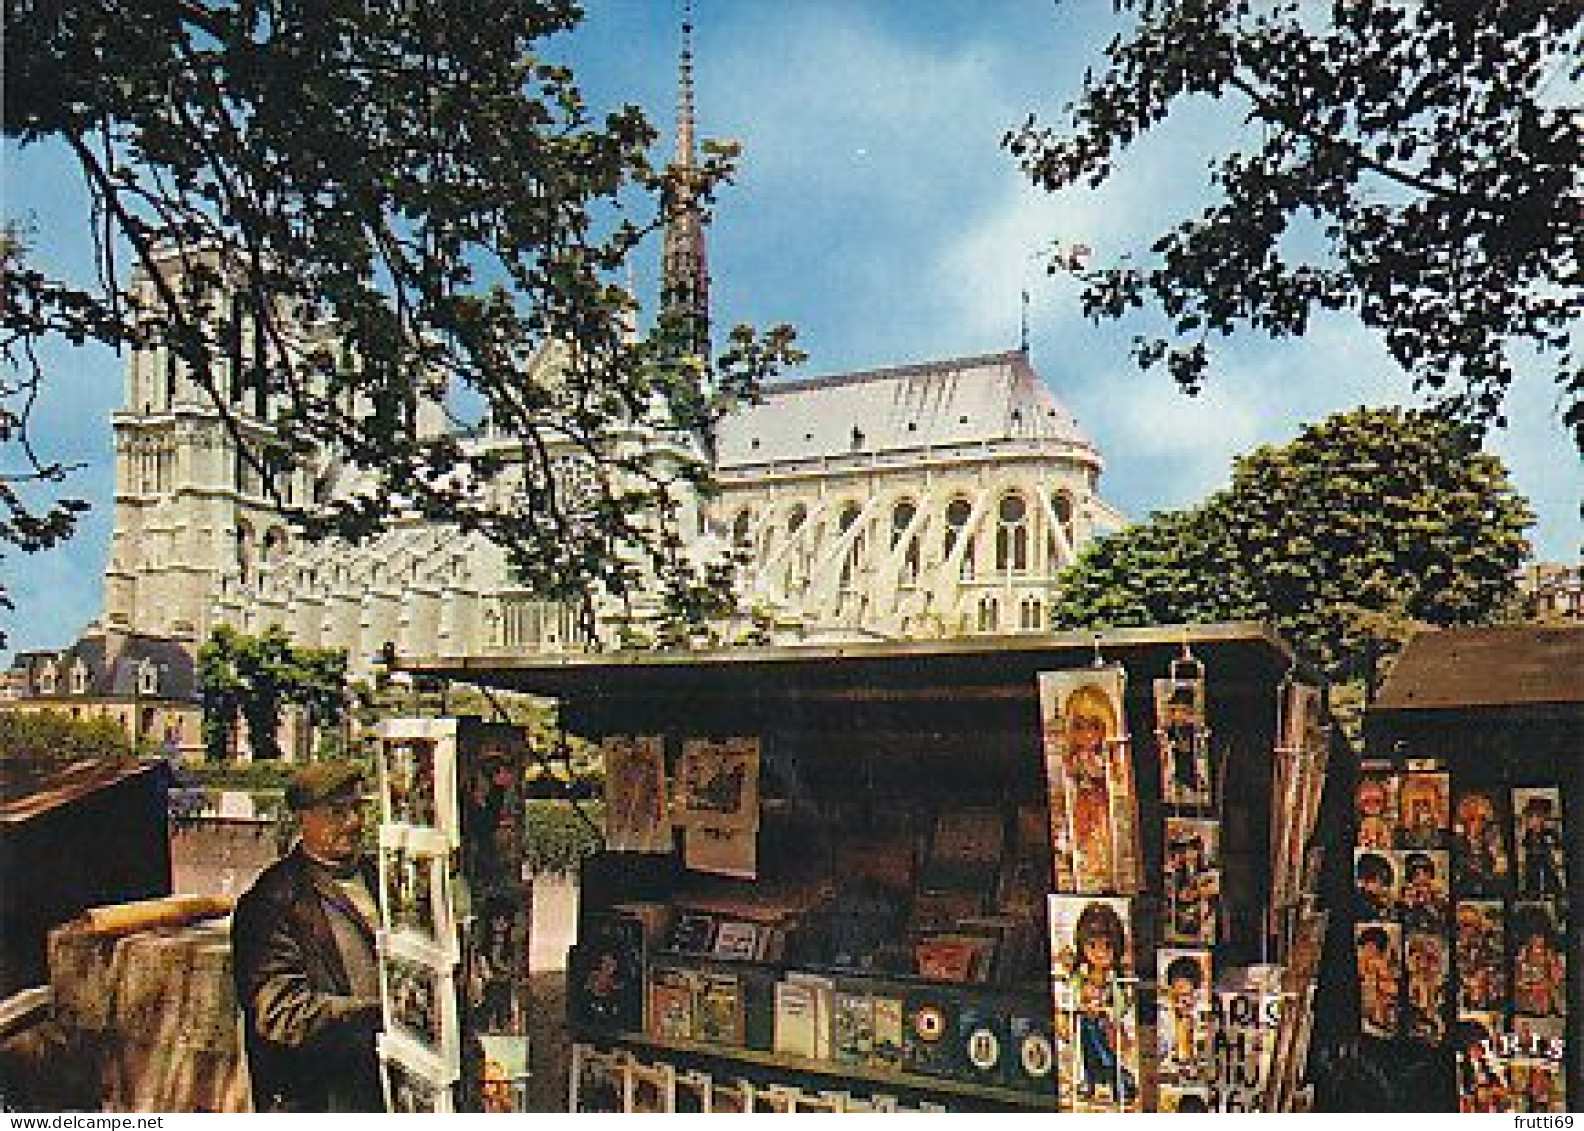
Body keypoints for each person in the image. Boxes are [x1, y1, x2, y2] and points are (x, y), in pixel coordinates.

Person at [232, 761, 385, 1112]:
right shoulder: (273, 901)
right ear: (304, 818)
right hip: (318, 1096)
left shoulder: (383, 880)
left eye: (358, 808)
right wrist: (377, 1013)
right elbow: (279, 1013)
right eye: (337, 812)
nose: (354, 823)